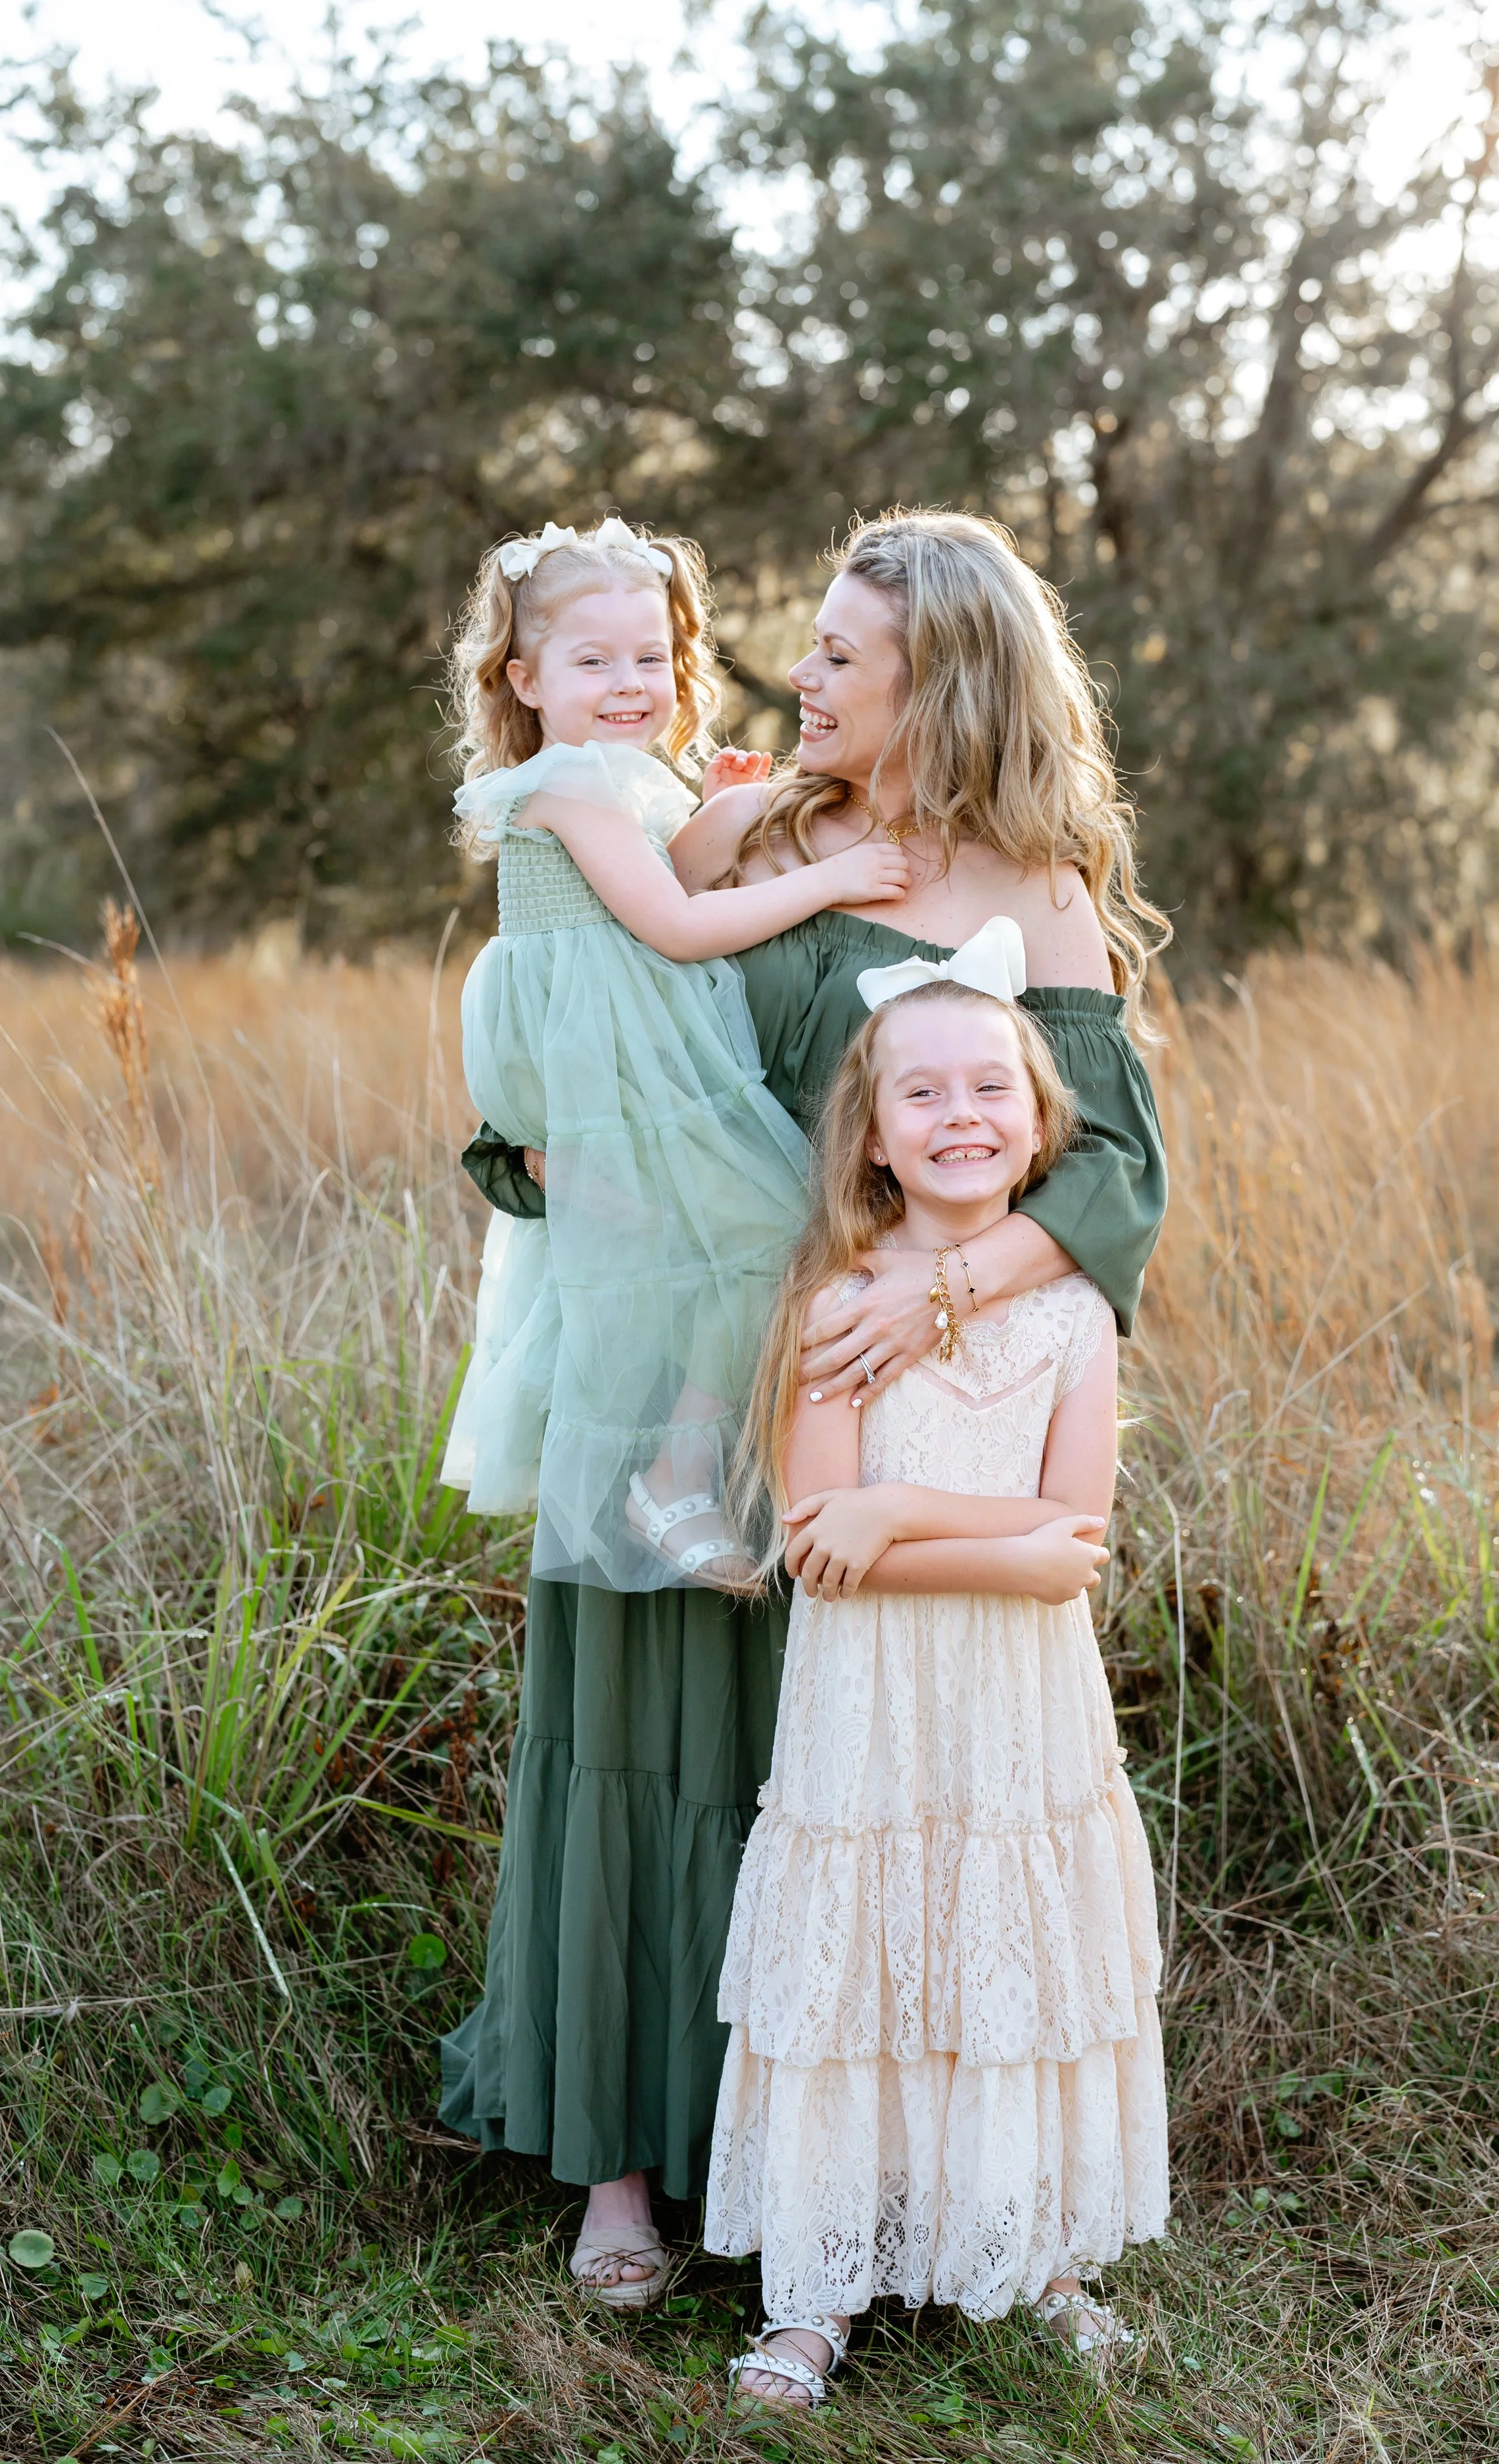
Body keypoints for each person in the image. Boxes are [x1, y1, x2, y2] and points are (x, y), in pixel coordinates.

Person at [446, 509, 1170, 2309]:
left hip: (873, 1409)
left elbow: (1111, 1176)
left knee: (823, 1775)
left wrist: (915, 1294)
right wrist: (530, 1152)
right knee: (638, 1728)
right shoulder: (738, 824)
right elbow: (576, 1009)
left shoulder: (1032, 893)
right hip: (674, 1366)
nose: (800, 673)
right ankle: (617, 2161)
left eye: (844, 653)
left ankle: (853, 2173)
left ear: (943, 681)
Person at [705, 963, 1169, 2408]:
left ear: (1036, 1127)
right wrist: (964, 1538)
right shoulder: (833, 1305)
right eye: (922, 1091)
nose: (958, 1114)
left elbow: (1070, 1545)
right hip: (872, 1712)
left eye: (989, 1088)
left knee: (1007, 1957)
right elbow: (817, 1547)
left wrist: (899, 1514)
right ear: (871, 1133)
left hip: (1020, 1709)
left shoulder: (1070, 1317)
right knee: (860, 1963)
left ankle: (1031, 2254)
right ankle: (816, 2291)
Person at [437, 513, 908, 1596]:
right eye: (592, 660)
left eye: (651, 656)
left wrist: (726, 807)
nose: (628, 681)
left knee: (724, 1244)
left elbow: (674, 878)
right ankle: (673, 1474)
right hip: (598, 1058)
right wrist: (835, 876)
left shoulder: (623, 782)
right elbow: (677, 927)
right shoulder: (567, 784)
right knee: (765, 1229)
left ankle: (677, 1471)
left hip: (620, 1045)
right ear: (524, 678)